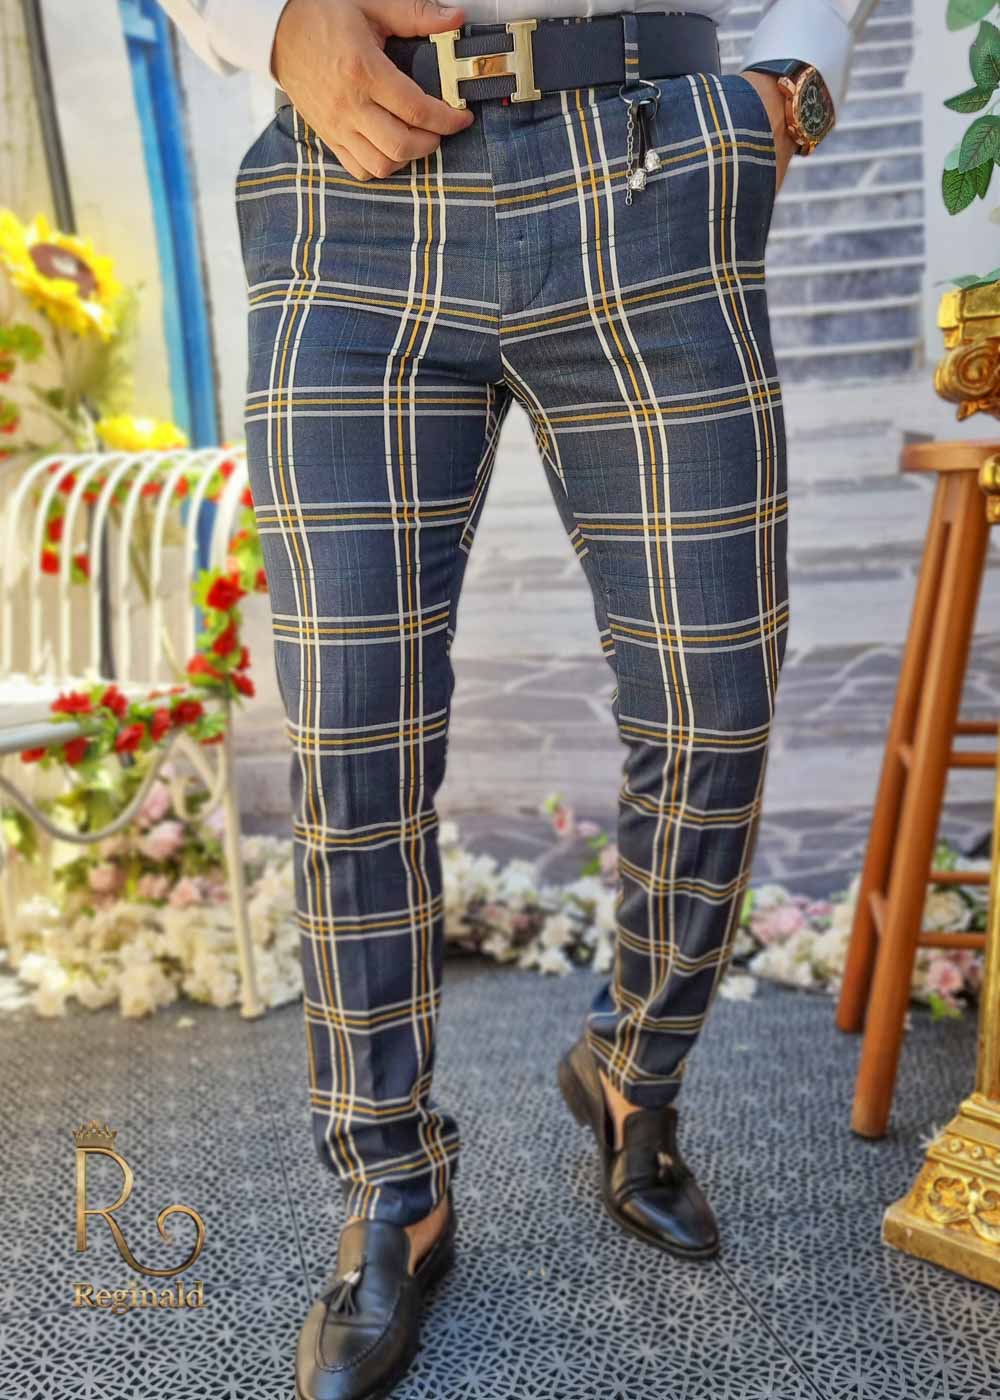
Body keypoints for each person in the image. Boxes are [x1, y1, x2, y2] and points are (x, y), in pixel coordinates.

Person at [158, 2, 875, 1396]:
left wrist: (791, 84)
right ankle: (392, 1185)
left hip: (650, 165)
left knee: (715, 696)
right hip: (353, 182)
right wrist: (274, 20)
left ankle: (633, 1076)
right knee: (352, 729)